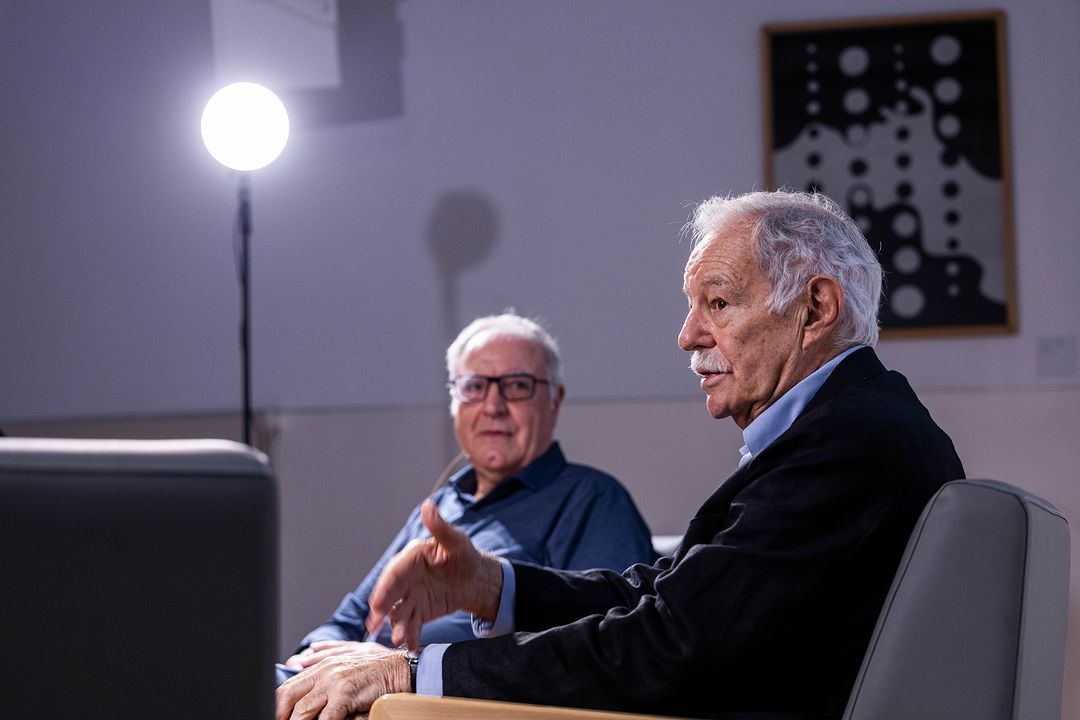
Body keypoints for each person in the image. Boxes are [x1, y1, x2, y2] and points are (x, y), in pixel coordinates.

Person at [276, 190, 966, 720]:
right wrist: (494, 587)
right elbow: (669, 602)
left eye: (718, 303)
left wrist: (412, 672)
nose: (686, 335)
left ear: (815, 308)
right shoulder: (852, 426)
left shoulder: (846, 444)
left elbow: (669, 645)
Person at [279, 312, 656, 680]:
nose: (493, 406)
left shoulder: (593, 500)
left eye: (517, 385)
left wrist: (399, 666)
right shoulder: (439, 508)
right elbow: (350, 619)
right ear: (454, 404)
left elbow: (601, 648)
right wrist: (312, 661)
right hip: (339, 687)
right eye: (474, 387)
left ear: (554, 400)